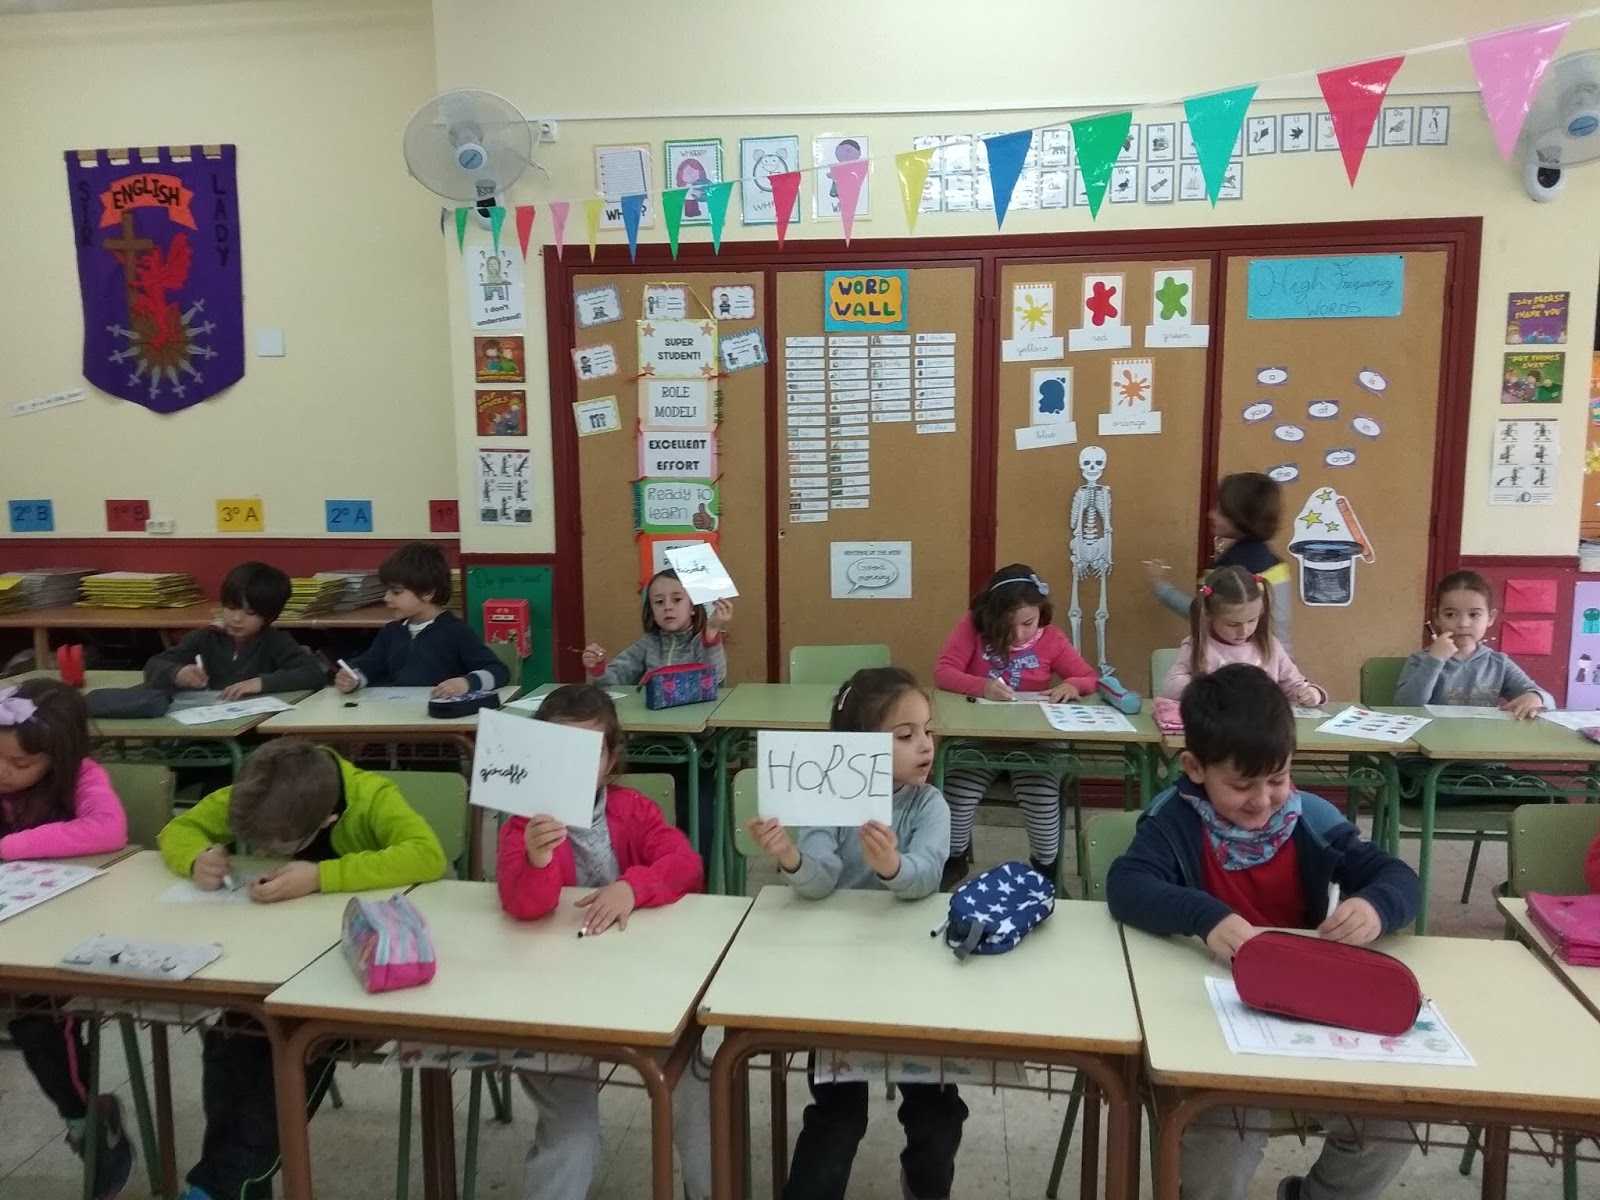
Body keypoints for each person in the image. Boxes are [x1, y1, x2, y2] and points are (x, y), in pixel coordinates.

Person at [1108, 664, 1421, 1200]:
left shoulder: (1309, 818)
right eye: (1241, 785)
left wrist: (1375, 906)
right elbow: (1127, 886)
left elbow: (1398, 878)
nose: (1262, 800)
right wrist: (1205, 916)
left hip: (1299, 1008)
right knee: (1230, 1124)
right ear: (1195, 768)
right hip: (1204, 1017)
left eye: (1277, 779)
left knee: (1390, 1123)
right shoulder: (1172, 821)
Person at [158, 739, 446, 1200]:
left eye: (276, 846)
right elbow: (181, 827)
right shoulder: (262, 791)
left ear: (328, 820)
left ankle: (218, 1188)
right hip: (271, 966)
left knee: (293, 1049)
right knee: (229, 1043)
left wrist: (321, 876)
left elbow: (427, 855)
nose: (263, 851)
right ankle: (228, 1187)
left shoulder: (371, 796)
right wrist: (196, 857)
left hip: (356, 978)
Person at [744, 667, 965, 1200]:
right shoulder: (832, 799)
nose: (925, 746)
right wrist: (790, 855)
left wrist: (892, 866)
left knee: (936, 1117)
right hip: (838, 975)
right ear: (857, 746)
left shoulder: (929, 804)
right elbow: (819, 881)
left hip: (911, 975)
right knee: (837, 1118)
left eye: (928, 731)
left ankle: (923, 1184)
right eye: (905, 735)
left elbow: (927, 876)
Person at [497, 684, 709, 1200]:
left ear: (611, 759)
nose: (572, 766)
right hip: (553, 995)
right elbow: (524, 906)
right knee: (572, 1138)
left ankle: (708, 1189)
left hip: (635, 983)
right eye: (558, 751)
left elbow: (685, 864)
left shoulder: (633, 809)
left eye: (588, 753)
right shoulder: (523, 823)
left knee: (700, 1096)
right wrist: (539, 860)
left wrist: (632, 887)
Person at [0, 680, 133, 1197]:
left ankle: (85, 1118)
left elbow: (108, 830)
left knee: (39, 1020)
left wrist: (7, 846)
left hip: (59, 937)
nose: (4, 772)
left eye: (21, 764)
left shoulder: (83, 778)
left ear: (60, 757)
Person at [933, 564, 1098, 886]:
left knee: (1040, 795)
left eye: (1028, 623)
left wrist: (1072, 685)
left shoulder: (1052, 639)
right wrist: (982, 687)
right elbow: (943, 672)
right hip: (980, 738)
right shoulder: (972, 627)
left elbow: (1088, 677)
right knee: (957, 792)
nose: (1020, 634)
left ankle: (1045, 869)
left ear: (1040, 614)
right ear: (991, 617)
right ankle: (954, 859)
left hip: (1036, 742)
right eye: (1009, 626)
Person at [335, 542, 508, 699]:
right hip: (395, 713)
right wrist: (354, 679)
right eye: (387, 591)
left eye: (396, 592)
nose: (386, 598)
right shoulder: (391, 632)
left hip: (439, 716)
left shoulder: (457, 631)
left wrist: (466, 683)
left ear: (427, 593)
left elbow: (498, 672)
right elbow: (370, 667)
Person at [1146, 471, 1293, 651]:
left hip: (1244, 661)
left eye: (1221, 512)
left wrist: (1161, 587)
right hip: (1276, 658)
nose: (1211, 515)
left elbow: (1203, 614)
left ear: (1241, 518)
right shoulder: (1274, 562)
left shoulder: (1231, 569)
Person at [144, 561, 327, 698]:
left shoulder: (276, 641)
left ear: (269, 616)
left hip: (257, 727)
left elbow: (313, 674)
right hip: (207, 722)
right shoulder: (204, 637)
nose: (237, 619)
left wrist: (260, 683)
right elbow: (154, 666)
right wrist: (177, 673)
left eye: (250, 613)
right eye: (231, 608)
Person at [1159, 566, 1324, 706]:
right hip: (1216, 729)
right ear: (1209, 615)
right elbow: (1171, 688)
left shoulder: (1269, 645)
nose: (1244, 631)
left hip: (1261, 729)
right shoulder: (1198, 645)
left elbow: (1295, 685)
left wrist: (1312, 694)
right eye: (1232, 624)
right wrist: (1210, 689)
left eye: (1252, 621)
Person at [1393, 570, 1551, 717]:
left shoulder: (1498, 663)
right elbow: (1405, 706)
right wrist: (1434, 661)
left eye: (1474, 615)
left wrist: (1535, 697)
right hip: (1432, 736)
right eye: (1450, 615)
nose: (1463, 623)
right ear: (1437, 618)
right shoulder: (1421, 660)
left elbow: (1548, 701)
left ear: (1490, 618)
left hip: (1482, 737)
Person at [582, 568, 732, 686]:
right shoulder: (648, 644)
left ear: (693, 607)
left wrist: (712, 630)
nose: (667, 607)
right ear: (652, 612)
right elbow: (611, 683)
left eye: (676, 599)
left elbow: (715, 679)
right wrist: (598, 669)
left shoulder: (703, 642)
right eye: (659, 602)